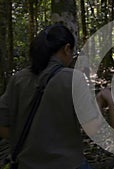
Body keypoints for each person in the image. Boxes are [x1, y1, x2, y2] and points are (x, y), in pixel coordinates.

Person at [0, 24, 100, 169]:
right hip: (67, 164)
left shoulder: (18, 79)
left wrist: (30, 141)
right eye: (72, 52)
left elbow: (2, 125)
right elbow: (93, 129)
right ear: (66, 49)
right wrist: (98, 99)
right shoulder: (73, 79)